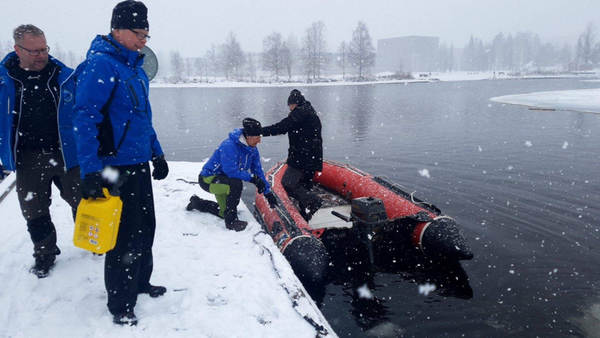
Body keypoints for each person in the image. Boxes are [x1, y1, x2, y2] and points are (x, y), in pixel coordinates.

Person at [72, 0, 168, 326]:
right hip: (112, 166)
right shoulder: (100, 65)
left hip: (139, 163)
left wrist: (157, 153)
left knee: (146, 227)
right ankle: (120, 304)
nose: (144, 40)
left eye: (146, 35)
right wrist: (89, 170)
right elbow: (83, 119)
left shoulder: (136, 69)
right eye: (139, 33)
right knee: (123, 235)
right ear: (118, 29)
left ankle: (141, 282)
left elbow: (143, 118)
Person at [0, 24, 81, 278]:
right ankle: (45, 253)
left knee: (84, 201)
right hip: (27, 156)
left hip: (67, 153)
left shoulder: (63, 76)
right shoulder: (5, 80)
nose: (41, 55)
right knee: (34, 210)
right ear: (17, 49)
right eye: (33, 51)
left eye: (43, 49)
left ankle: (93, 240)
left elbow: (85, 114)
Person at [187, 118, 278, 231]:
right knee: (236, 184)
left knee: (223, 212)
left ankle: (197, 203)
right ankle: (231, 222)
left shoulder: (252, 149)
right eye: (258, 138)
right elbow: (231, 171)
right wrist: (252, 179)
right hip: (208, 180)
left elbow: (257, 171)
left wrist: (267, 192)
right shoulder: (229, 146)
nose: (259, 141)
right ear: (248, 136)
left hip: (224, 180)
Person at [261, 89, 323, 221]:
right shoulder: (310, 112)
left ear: (294, 103)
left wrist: (259, 132)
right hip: (313, 157)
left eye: (289, 105)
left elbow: (281, 127)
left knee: (288, 182)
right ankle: (305, 217)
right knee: (304, 185)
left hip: (302, 157)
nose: (289, 108)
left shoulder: (299, 113)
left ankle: (314, 201)